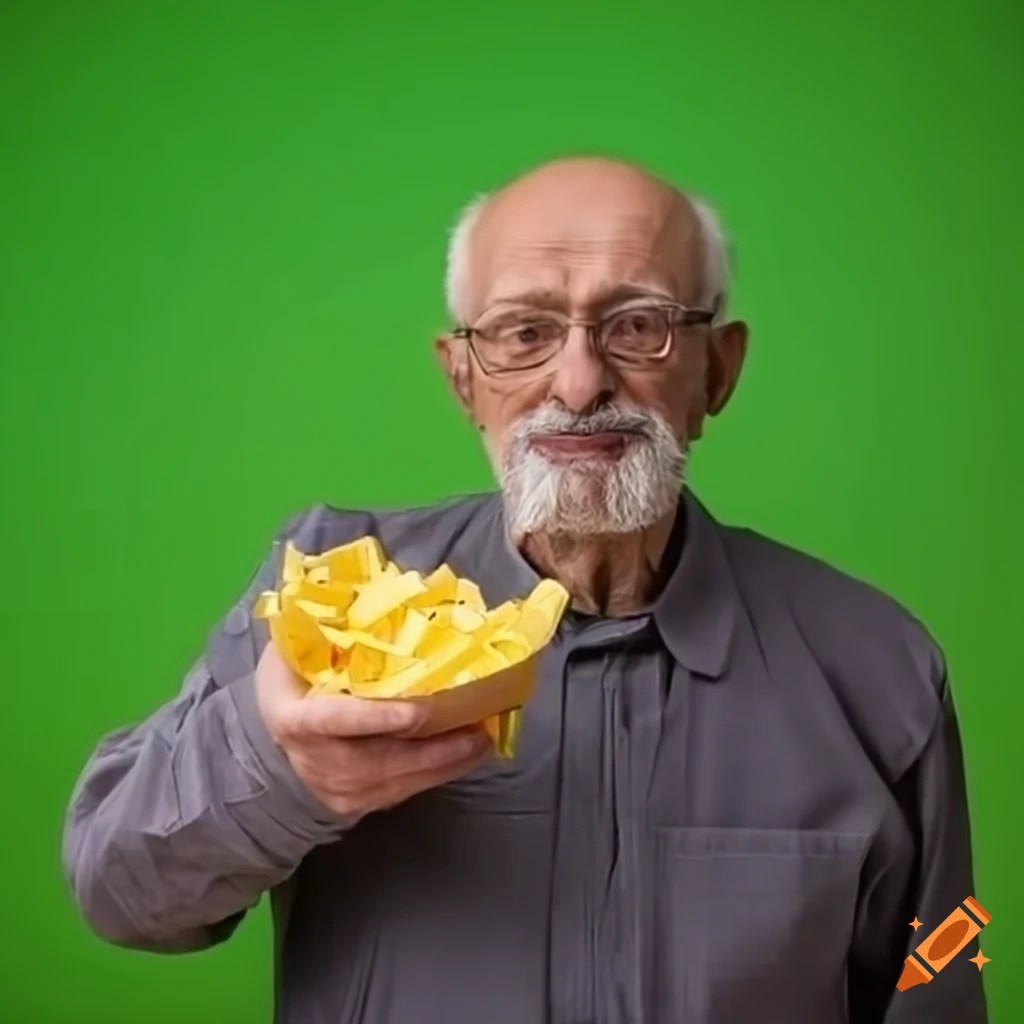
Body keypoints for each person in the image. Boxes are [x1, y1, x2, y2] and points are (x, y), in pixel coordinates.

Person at [62, 157, 986, 1024]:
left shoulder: (879, 666)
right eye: (524, 332)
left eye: (637, 324)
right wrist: (276, 768)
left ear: (719, 368)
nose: (579, 384)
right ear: (463, 376)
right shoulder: (330, 595)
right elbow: (116, 890)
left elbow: (941, 974)